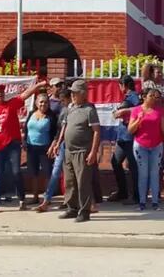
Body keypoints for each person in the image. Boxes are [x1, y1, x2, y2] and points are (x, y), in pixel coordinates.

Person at [0, 81, 40, 213]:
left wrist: (38, 86)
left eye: (1, 91)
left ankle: (22, 200)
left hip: (13, 144)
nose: (0, 93)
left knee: (17, 172)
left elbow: (25, 95)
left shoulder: (11, 104)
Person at [57, 80, 100, 222]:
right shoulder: (70, 107)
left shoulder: (90, 110)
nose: (73, 95)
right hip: (68, 151)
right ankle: (72, 208)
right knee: (69, 181)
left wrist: (93, 152)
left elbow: (96, 132)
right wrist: (58, 143)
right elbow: (64, 126)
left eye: (76, 93)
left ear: (83, 94)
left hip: (83, 151)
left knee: (83, 182)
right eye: (72, 93)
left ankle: (85, 211)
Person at [127, 88, 164, 211]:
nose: (153, 98)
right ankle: (142, 202)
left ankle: (155, 202)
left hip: (156, 146)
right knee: (143, 174)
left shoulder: (159, 111)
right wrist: (138, 119)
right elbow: (130, 130)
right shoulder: (136, 110)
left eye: (156, 96)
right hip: (141, 146)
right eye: (151, 95)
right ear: (144, 96)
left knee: (154, 174)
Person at [36, 88, 72, 213]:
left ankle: (72, 200)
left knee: (74, 174)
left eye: (63, 100)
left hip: (74, 146)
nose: (62, 103)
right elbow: (59, 130)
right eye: (61, 100)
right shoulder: (63, 111)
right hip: (62, 145)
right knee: (56, 172)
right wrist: (55, 144)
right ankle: (46, 199)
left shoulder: (77, 109)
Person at [109, 74, 140, 205]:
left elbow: (140, 109)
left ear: (124, 85)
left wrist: (124, 111)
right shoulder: (126, 97)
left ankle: (136, 196)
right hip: (122, 136)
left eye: (120, 85)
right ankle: (123, 192)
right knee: (115, 162)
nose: (120, 88)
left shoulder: (134, 96)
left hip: (130, 136)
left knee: (133, 166)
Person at [24, 93, 57, 205]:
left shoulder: (51, 116)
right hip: (31, 147)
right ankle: (35, 197)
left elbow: (55, 133)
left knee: (47, 173)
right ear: (36, 103)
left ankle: (46, 198)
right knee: (34, 173)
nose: (43, 104)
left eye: (46, 102)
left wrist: (52, 147)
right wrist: (24, 141)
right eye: (41, 102)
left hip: (45, 148)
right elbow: (26, 130)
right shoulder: (31, 114)